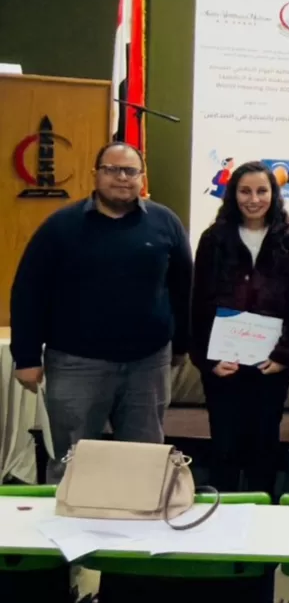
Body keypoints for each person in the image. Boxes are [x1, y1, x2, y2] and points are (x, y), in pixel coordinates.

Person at [10, 142, 192, 481]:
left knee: (145, 463)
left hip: (147, 365)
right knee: (74, 461)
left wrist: (181, 344)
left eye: (130, 171)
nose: (122, 177)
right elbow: (28, 292)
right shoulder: (60, 227)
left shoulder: (165, 222)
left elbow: (184, 288)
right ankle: (69, 515)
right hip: (76, 364)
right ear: (95, 175)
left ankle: (139, 514)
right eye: (112, 170)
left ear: (142, 177)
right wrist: (26, 357)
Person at [190, 160, 289, 494]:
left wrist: (285, 355)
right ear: (233, 194)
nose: (253, 199)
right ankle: (222, 516)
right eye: (245, 191)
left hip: (271, 365)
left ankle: (260, 516)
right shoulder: (214, 238)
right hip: (223, 364)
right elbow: (197, 303)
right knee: (224, 446)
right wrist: (208, 360)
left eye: (261, 191)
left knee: (264, 447)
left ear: (274, 194)